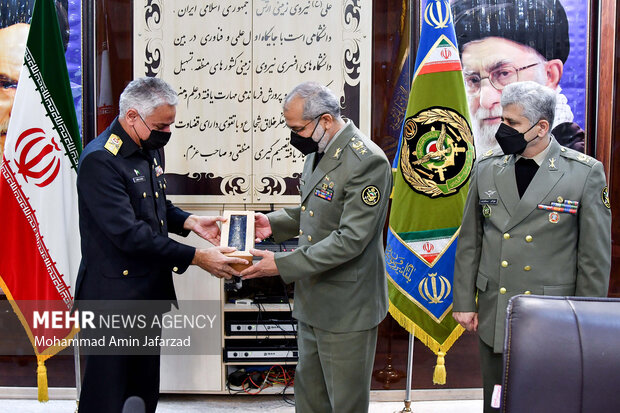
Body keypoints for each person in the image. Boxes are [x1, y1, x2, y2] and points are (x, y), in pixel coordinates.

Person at [75, 77, 247, 413]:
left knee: (141, 390)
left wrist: (190, 221)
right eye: (160, 125)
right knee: (107, 394)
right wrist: (196, 257)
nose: (166, 132)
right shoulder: (101, 160)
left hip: (147, 292)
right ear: (132, 116)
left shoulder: (148, 147)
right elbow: (128, 233)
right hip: (114, 298)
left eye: (170, 124)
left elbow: (155, 205)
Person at [452, 81, 611, 412]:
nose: (502, 130)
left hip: (552, 316)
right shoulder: (486, 167)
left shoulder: (583, 173)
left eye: (512, 123)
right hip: (497, 309)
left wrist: (583, 319)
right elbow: (471, 240)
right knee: (496, 402)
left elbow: (593, 258)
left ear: (541, 127)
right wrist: (465, 301)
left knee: (547, 401)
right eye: (502, 120)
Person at [240, 81, 392, 413]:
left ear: (324, 120)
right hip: (314, 298)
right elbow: (314, 209)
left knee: (344, 403)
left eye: (297, 128)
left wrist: (281, 264)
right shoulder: (319, 150)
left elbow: (350, 239)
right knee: (310, 398)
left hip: (347, 306)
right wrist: (273, 223)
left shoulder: (366, 161)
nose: (294, 136)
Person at [452, 0, 585, 156]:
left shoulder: (578, 163)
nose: (485, 100)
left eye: (503, 74)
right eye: (473, 80)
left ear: (550, 76)